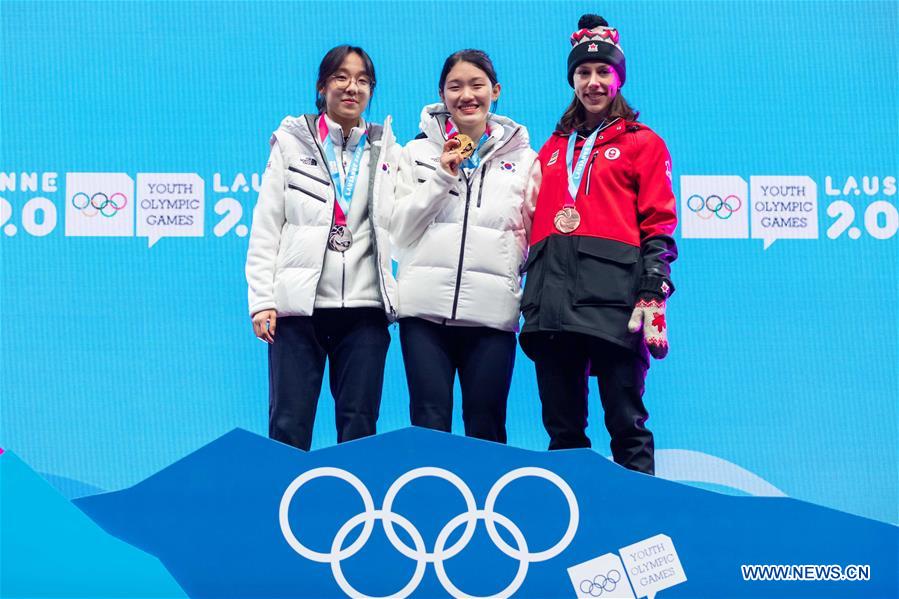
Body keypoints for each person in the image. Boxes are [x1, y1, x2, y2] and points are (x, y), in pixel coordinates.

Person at [519, 15, 678, 474]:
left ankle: (640, 515)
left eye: (603, 71)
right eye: (583, 72)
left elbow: (659, 221)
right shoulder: (552, 148)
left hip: (615, 302)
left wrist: (653, 288)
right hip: (552, 303)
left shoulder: (642, 143)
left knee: (626, 424)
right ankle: (573, 518)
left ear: (618, 77)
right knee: (563, 432)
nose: (593, 82)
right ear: (572, 79)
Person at [245, 45, 399, 451]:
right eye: (341, 77)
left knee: (360, 426)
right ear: (322, 86)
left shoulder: (386, 148)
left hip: (365, 310)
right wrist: (262, 301)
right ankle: (281, 495)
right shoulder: (291, 143)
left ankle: (357, 496)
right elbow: (267, 225)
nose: (352, 87)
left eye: (363, 80)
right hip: (299, 311)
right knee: (288, 424)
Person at [391, 49, 540, 444]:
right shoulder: (414, 154)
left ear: (496, 91)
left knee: (487, 429)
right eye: (455, 86)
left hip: (492, 316)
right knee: (428, 426)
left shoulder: (526, 161)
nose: (467, 95)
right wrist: (442, 176)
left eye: (477, 85)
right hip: (424, 315)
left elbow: (535, 238)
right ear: (442, 93)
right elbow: (398, 234)